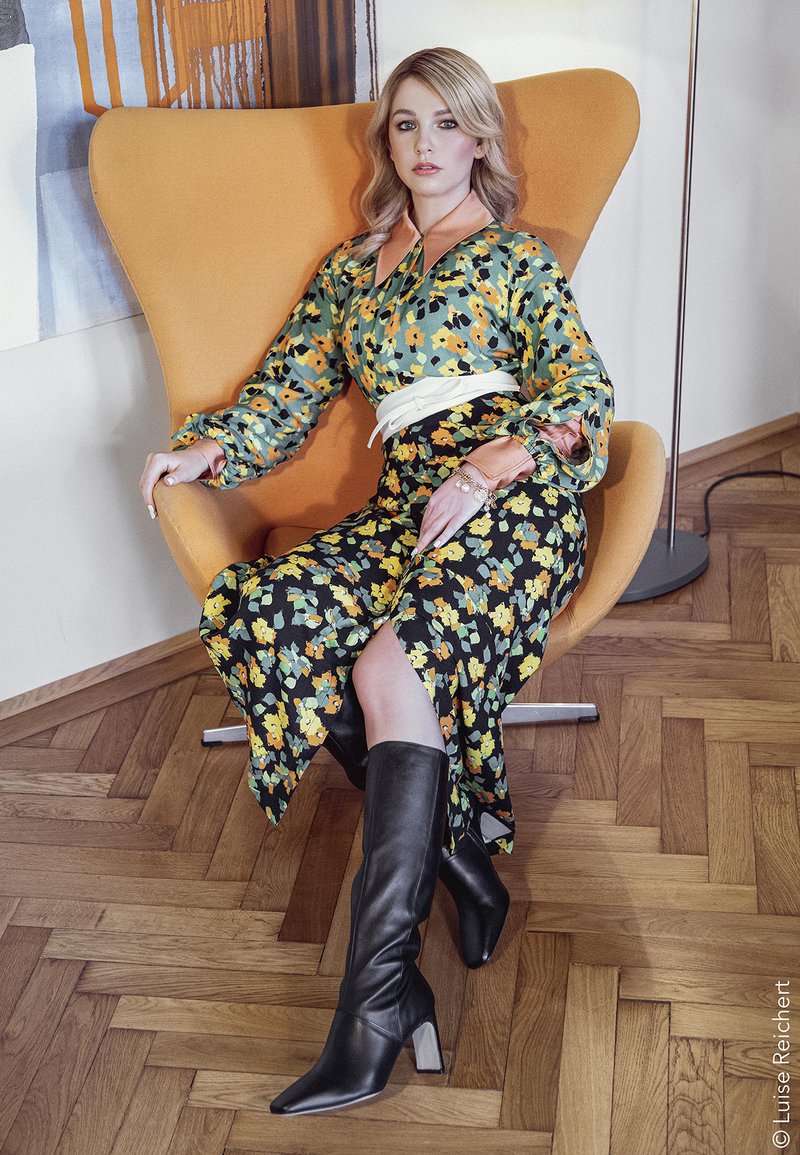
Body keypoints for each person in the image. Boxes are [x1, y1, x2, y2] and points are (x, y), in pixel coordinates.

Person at [139, 46, 613, 1115]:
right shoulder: (351, 269)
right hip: (404, 507)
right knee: (272, 615)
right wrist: (207, 451)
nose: (425, 146)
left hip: (510, 504)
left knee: (390, 668)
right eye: (405, 125)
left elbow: (579, 390)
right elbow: (286, 389)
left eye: (447, 125)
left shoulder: (515, 260)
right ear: (385, 143)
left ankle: (375, 1010)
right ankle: (462, 863)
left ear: (480, 139)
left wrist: (494, 465)